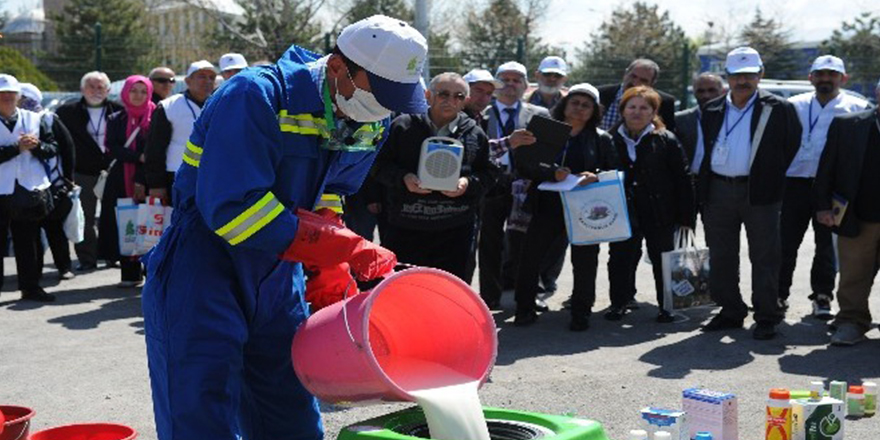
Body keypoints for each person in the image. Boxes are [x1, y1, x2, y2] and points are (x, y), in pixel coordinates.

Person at [141, 15, 426, 440]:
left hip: (279, 272)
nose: (384, 109)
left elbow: (331, 189)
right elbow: (234, 210)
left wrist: (329, 261)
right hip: (203, 265)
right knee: (201, 410)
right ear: (336, 68)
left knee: (288, 410)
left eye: (395, 99)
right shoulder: (255, 95)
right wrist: (340, 249)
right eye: (379, 93)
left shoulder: (368, 114)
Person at [697, 47, 801, 340]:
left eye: (750, 75)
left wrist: (770, 175)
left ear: (761, 75)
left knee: (766, 255)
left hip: (761, 193)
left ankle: (767, 315)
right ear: (727, 77)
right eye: (737, 75)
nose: (743, 81)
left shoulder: (779, 108)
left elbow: (791, 145)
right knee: (721, 255)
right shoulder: (712, 108)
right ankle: (730, 311)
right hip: (718, 190)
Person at [371, 72, 498, 282]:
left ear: (465, 101)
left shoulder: (474, 133)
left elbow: (490, 173)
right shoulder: (403, 126)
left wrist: (467, 184)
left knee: (449, 293)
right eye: (443, 94)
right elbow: (378, 165)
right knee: (402, 290)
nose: (450, 101)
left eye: (458, 96)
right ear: (428, 95)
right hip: (405, 226)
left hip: (456, 231)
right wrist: (404, 178)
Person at [513, 83, 618, 329]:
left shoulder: (602, 138)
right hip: (547, 205)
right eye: (575, 103)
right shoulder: (544, 130)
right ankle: (524, 308)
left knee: (585, 259)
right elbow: (525, 164)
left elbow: (613, 170)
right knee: (530, 257)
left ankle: (581, 312)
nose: (579, 109)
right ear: (565, 105)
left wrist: (596, 175)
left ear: (594, 111)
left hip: (585, 208)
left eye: (586, 105)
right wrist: (552, 173)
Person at [781, 55, 869, 319]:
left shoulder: (856, 107)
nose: (825, 79)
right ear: (811, 78)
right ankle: (778, 294)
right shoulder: (793, 105)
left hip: (835, 188)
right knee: (785, 243)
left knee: (828, 245)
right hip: (794, 183)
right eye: (820, 74)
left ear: (843, 78)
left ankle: (822, 296)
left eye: (832, 75)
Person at [605, 86, 695, 323]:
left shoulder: (666, 139)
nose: (637, 112)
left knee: (663, 259)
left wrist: (686, 217)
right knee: (620, 258)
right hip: (623, 211)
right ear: (622, 110)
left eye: (643, 107)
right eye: (631, 107)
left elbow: (683, 178)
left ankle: (667, 307)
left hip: (660, 210)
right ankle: (618, 303)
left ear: (653, 112)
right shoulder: (610, 139)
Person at [813, 78, 880, 346]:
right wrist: (822, 206)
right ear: (877, 94)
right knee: (853, 275)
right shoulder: (848, 125)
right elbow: (826, 169)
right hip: (858, 217)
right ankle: (852, 321)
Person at [477, 61, 546, 310]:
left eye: (517, 80)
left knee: (525, 242)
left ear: (526, 87)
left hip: (525, 184)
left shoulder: (539, 115)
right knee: (489, 242)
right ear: (495, 86)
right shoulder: (481, 114)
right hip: (491, 184)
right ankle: (489, 297)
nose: (511, 84)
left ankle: (528, 293)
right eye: (505, 79)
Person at [0, 74, 60, 301]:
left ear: (18, 97)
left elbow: (52, 148)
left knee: (29, 242)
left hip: (28, 189)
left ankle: (31, 286)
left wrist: (37, 147)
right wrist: (16, 148)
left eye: (11, 95)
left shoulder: (34, 119)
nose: (7, 98)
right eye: (2, 95)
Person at [55, 71, 123, 272]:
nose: (96, 91)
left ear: (108, 90)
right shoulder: (67, 112)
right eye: (91, 87)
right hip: (82, 172)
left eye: (101, 87)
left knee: (112, 217)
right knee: (84, 216)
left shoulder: (118, 111)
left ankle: (112, 255)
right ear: (82, 89)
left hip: (111, 171)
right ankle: (87, 258)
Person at [99, 76, 155, 288]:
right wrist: (137, 157)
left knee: (150, 224)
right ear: (126, 93)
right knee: (126, 223)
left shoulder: (157, 116)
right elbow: (112, 147)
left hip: (150, 178)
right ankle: (130, 273)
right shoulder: (116, 118)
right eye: (134, 91)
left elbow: (156, 147)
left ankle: (152, 271)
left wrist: (142, 167)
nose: (138, 95)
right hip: (121, 178)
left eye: (143, 91)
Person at [19, 83, 77, 281]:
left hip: (52, 184)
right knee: (30, 232)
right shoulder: (13, 121)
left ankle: (64, 267)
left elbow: (66, 148)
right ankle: (33, 274)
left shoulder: (48, 119)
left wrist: (68, 179)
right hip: (23, 185)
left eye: (25, 99)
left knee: (54, 228)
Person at [145, 60, 216, 206]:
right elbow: (155, 148)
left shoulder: (220, 105)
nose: (208, 81)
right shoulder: (168, 106)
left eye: (212, 77)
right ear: (187, 81)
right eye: (202, 76)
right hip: (177, 176)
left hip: (212, 176)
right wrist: (156, 184)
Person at [598, 58, 677, 132]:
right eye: (633, 76)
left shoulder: (664, 102)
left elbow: (667, 135)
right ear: (626, 73)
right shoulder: (600, 94)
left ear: (652, 83)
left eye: (643, 80)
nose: (635, 82)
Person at [675, 73, 725, 175]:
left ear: (722, 91)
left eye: (712, 90)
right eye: (700, 91)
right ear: (694, 93)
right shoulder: (680, 120)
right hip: (691, 180)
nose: (706, 96)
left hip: (720, 182)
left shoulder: (731, 119)